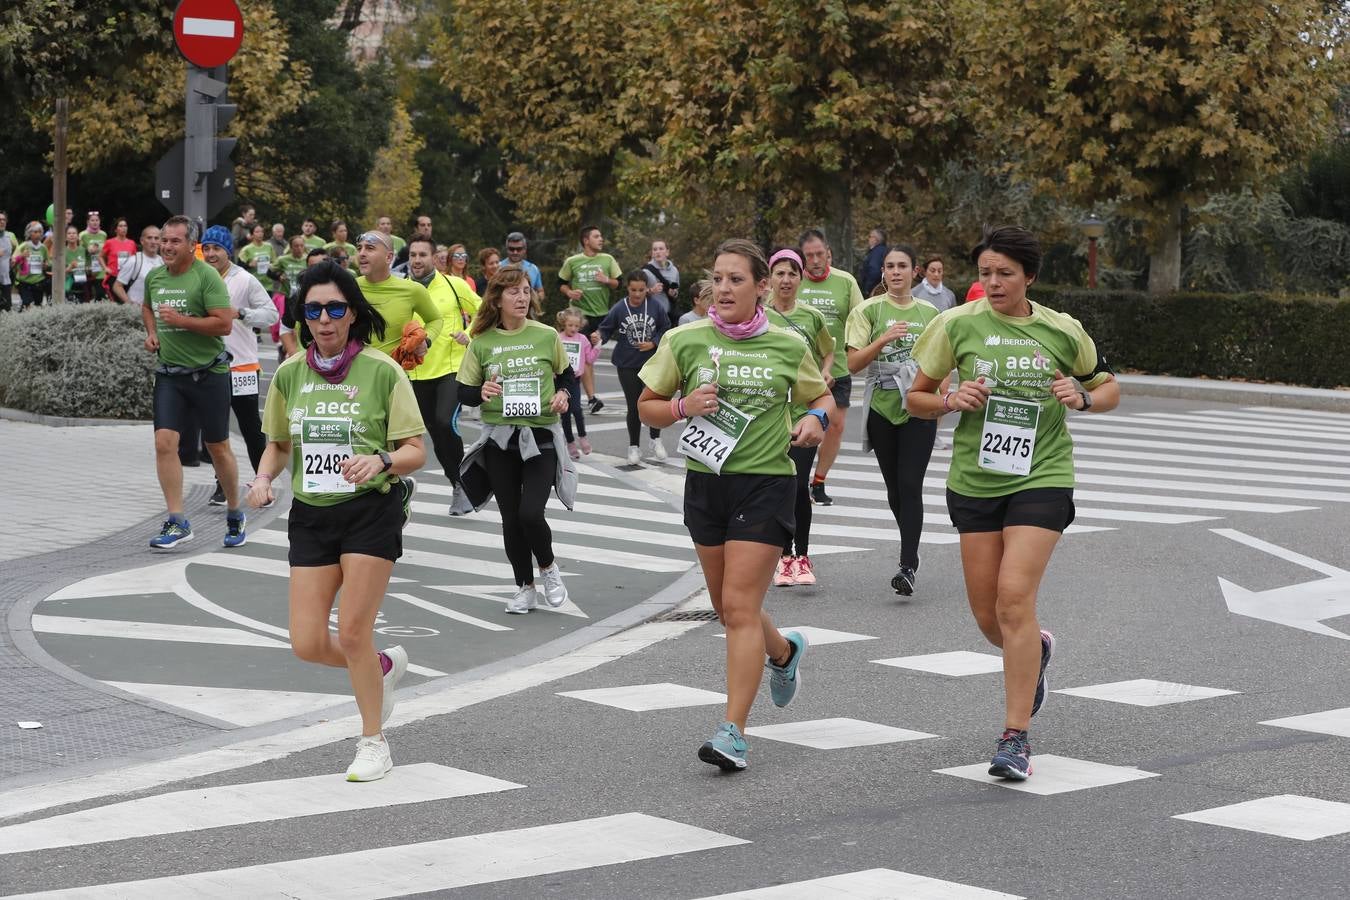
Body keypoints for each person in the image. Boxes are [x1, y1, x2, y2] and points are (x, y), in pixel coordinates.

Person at [907, 225, 1120, 781]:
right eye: (984, 273)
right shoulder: (955, 324)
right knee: (988, 616)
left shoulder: (1060, 330)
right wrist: (951, 399)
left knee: (1013, 598)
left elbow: (1108, 386)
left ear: (1029, 275)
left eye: (1005, 273)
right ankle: (1036, 650)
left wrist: (1084, 398)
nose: (994, 283)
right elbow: (916, 398)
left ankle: (1015, 736)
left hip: (1043, 474)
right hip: (976, 480)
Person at [636, 238, 833, 771]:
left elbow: (822, 397)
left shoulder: (789, 345)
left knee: (740, 608)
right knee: (727, 607)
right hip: (706, 484)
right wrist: (681, 405)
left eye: (735, 280)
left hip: (766, 483)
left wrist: (815, 421)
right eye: (717, 279)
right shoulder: (685, 339)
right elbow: (647, 408)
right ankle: (784, 653)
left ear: (760, 287)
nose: (722, 288)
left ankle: (733, 732)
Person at [247, 259, 425, 782]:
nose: (325, 319)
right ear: (304, 316)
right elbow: (278, 445)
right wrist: (262, 478)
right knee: (306, 642)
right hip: (311, 515)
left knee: (352, 633)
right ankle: (382, 666)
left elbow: (416, 449)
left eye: (336, 309)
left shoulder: (382, 370)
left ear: (352, 314)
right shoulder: (288, 373)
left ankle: (373, 741)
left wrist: (382, 461)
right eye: (315, 309)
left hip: (371, 511)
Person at [453, 266, 576, 615]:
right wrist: (482, 391)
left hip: (541, 437)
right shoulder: (482, 342)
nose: (522, 297)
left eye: (526, 290)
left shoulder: (546, 335)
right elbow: (463, 391)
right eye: (514, 292)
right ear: (497, 298)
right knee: (510, 518)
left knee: (530, 513)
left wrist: (564, 393)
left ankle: (549, 568)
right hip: (500, 441)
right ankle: (525, 586)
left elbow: (567, 374)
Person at [141, 215, 246, 550]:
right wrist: (153, 332)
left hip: (209, 375)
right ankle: (177, 520)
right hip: (170, 374)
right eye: (163, 240)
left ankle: (234, 510)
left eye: (174, 241)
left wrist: (182, 321)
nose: (166, 246)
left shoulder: (207, 277)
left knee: (218, 448)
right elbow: (147, 307)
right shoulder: (155, 277)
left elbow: (224, 325)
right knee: (163, 444)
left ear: (191, 245)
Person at [846, 244, 945, 596]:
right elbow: (853, 364)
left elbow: (943, 360)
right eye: (890, 266)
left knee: (909, 483)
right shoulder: (868, 310)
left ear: (915, 271)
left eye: (903, 266)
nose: (896, 272)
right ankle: (910, 545)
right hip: (882, 405)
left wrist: (940, 400)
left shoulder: (931, 312)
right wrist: (884, 339)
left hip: (917, 404)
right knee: (893, 488)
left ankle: (907, 564)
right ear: (884, 273)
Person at [764, 249, 834, 588]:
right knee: (777, 485)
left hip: (804, 412)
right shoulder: (758, 315)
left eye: (792, 273)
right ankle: (782, 556)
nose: (786, 280)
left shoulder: (812, 316)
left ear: (800, 278)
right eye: (780, 273)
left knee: (798, 483)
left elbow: (829, 349)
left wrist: (824, 373)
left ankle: (801, 557)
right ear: (769, 279)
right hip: (770, 413)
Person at [200, 225, 278, 506]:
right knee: (215, 430)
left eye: (216, 249)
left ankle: (262, 483)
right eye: (206, 248)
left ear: (227, 251)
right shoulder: (198, 277)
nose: (210, 254)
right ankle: (222, 485)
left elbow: (271, 315)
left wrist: (242, 313)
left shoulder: (244, 279)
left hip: (242, 366)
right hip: (210, 365)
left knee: (250, 428)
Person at [796, 228, 864, 507]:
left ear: (829, 254)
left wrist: (854, 352)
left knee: (835, 427)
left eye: (819, 254)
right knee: (802, 428)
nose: (814, 260)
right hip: (799, 373)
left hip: (836, 370)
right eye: (809, 255)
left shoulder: (845, 281)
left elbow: (859, 320)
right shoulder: (793, 281)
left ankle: (819, 481)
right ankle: (796, 480)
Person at [407, 235, 479, 487]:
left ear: (435, 258)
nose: (417, 260)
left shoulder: (454, 285)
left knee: (444, 422)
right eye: (413, 255)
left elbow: (483, 311)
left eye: (422, 254)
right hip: (416, 373)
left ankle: (464, 480)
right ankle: (456, 482)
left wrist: (468, 335)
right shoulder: (401, 289)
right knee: (436, 434)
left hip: (452, 369)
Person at [592, 270, 671, 466]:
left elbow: (666, 328)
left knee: (653, 402)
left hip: (652, 362)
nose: (637, 294)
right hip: (627, 363)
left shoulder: (655, 306)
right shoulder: (620, 308)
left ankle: (655, 439)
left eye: (641, 290)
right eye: (633, 290)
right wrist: (598, 335)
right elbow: (606, 328)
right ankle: (633, 447)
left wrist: (653, 343)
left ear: (647, 289)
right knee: (634, 405)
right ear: (627, 288)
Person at [558, 224, 623, 413]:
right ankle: (590, 398)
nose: (601, 239)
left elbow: (619, 283)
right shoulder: (573, 261)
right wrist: (570, 291)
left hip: (601, 315)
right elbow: (560, 283)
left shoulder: (607, 259)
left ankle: (583, 396)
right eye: (597, 236)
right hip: (580, 316)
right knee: (583, 357)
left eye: (601, 236)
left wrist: (607, 281)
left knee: (588, 359)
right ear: (586, 240)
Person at [555, 308, 598, 459]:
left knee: (577, 410)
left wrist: (597, 346)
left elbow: (590, 359)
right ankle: (570, 442)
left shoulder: (583, 340)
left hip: (574, 379)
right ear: (563, 324)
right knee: (565, 413)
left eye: (576, 326)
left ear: (580, 326)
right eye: (570, 325)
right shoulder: (558, 338)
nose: (573, 329)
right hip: (559, 379)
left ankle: (582, 436)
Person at [112, 225, 164, 305]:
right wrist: (131, 304)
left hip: (157, 313)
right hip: (137, 314)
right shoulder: (134, 261)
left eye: (156, 238)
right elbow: (117, 286)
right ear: (142, 241)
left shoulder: (163, 262)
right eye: (149, 238)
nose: (153, 241)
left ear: (160, 241)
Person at [14, 223, 49, 310]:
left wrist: (45, 265)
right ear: (29, 233)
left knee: (37, 306)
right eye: (35, 232)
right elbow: (13, 261)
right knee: (28, 305)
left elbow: (47, 263)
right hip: (24, 282)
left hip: (38, 282)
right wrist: (22, 256)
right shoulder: (23, 246)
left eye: (40, 232)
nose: (38, 234)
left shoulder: (43, 248)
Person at [101, 217, 137, 300]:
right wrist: (105, 268)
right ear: (115, 229)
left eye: (125, 226)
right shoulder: (109, 242)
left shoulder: (132, 243)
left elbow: (135, 259)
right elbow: (100, 256)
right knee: (116, 302)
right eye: (120, 226)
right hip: (114, 276)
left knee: (127, 301)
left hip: (127, 276)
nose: (123, 228)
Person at [643, 240, 680, 318]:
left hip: (669, 315)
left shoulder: (674, 270)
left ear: (667, 252)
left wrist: (673, 293)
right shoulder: (645, 271)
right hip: (650, 315)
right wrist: (651, 290)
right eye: (655, 249)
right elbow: (636, 294)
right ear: (652, 253)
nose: (657, 252)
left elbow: (676, 293)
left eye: (661, 249)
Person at [503, 231, 544, 301]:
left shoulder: (533, 268)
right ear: (507, 249)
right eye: (511, 249)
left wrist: (532, 298)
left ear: (525, 250)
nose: (515, 252)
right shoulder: (497, 268)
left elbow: (541, 292)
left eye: (519, 249)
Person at [238, 223, 277, 295]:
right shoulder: (246, 249)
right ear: (252, 234)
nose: (260, 234)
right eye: (257, 232)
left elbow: (275, 263)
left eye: (262, 231)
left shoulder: (269, 246)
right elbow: (239, 266)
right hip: (253, 285)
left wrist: (272, 266)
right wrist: (249, 265)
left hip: (268, 285)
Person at [78, 211, 109, 303]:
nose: (95, 222)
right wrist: (88, 250)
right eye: (92, 220)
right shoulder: (82, 235)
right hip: (88, 269)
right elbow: (79, 252)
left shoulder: (103, 234)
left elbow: (106, 251)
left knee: (101, 295)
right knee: (87, 297)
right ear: (88, 222)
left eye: (97, 220)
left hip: (101, 269)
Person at [858, 227, 887, 296]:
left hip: (874, 291)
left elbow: (874, 271)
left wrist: (867, 289)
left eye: (870, 237)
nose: (868, 239)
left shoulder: (876, 253)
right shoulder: (884, 250)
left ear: (876, 239)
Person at [60, 225, 87, 299]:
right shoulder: (62, 252)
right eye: (69, 233)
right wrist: (70, 268)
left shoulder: (83, 250)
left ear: (78, 236)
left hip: (83, 285)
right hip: (68, 286)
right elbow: (58, 274)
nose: (72, 235)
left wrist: (86, 268)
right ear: (65, 237)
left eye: (74, 233)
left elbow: (88, 266)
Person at [0, 211, 17, 310]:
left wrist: (13, 259)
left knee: (7, 311)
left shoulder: (9, 238)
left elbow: (15, 252)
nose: (2, 222)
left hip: (6, 281)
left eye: (4, 220)